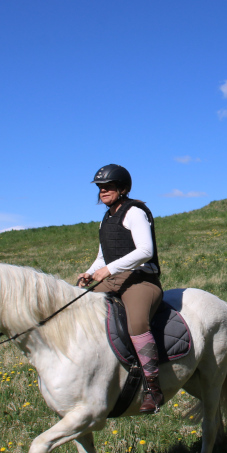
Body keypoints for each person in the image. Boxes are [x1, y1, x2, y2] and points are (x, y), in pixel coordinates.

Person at [77, 164, 165, 413]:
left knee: (136, 323)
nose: (103, 191)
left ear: (122, 188)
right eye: (100, 188)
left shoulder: (134, 212)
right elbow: (102, 257)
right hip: (114, 278)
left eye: (108, 187)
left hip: (141, 280)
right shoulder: (106, 218)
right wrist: (90, 271)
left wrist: (109, 270)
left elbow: (145, 251)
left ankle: (152, 388)